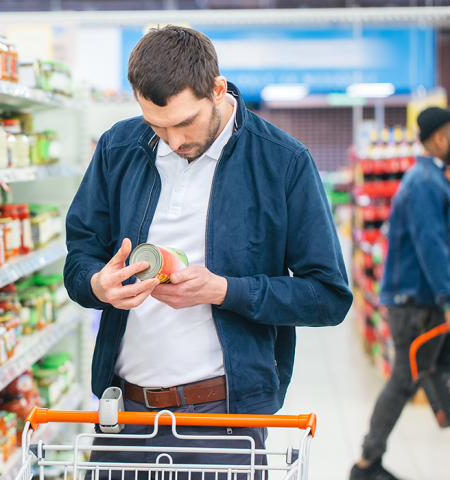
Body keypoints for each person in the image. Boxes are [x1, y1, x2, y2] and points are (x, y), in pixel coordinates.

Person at [64, 25, 352, 479]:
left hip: (222, 421)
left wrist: (224, 290)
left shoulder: (282, 162)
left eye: (183, 123)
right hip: (124, 414)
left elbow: (329, 297)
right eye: (156, 125)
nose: (173, 141)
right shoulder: (119, 147)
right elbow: (80, 253)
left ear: (218, 89)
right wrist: (96, 284)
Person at [350, 106, 450, 480]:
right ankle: (366, 463)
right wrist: (447, 296)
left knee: (434, 369)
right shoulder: (425, 182)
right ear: (439, 137)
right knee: (405, 380)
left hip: (417, 299)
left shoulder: (429, 178)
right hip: (415, 302)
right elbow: (432, 245)